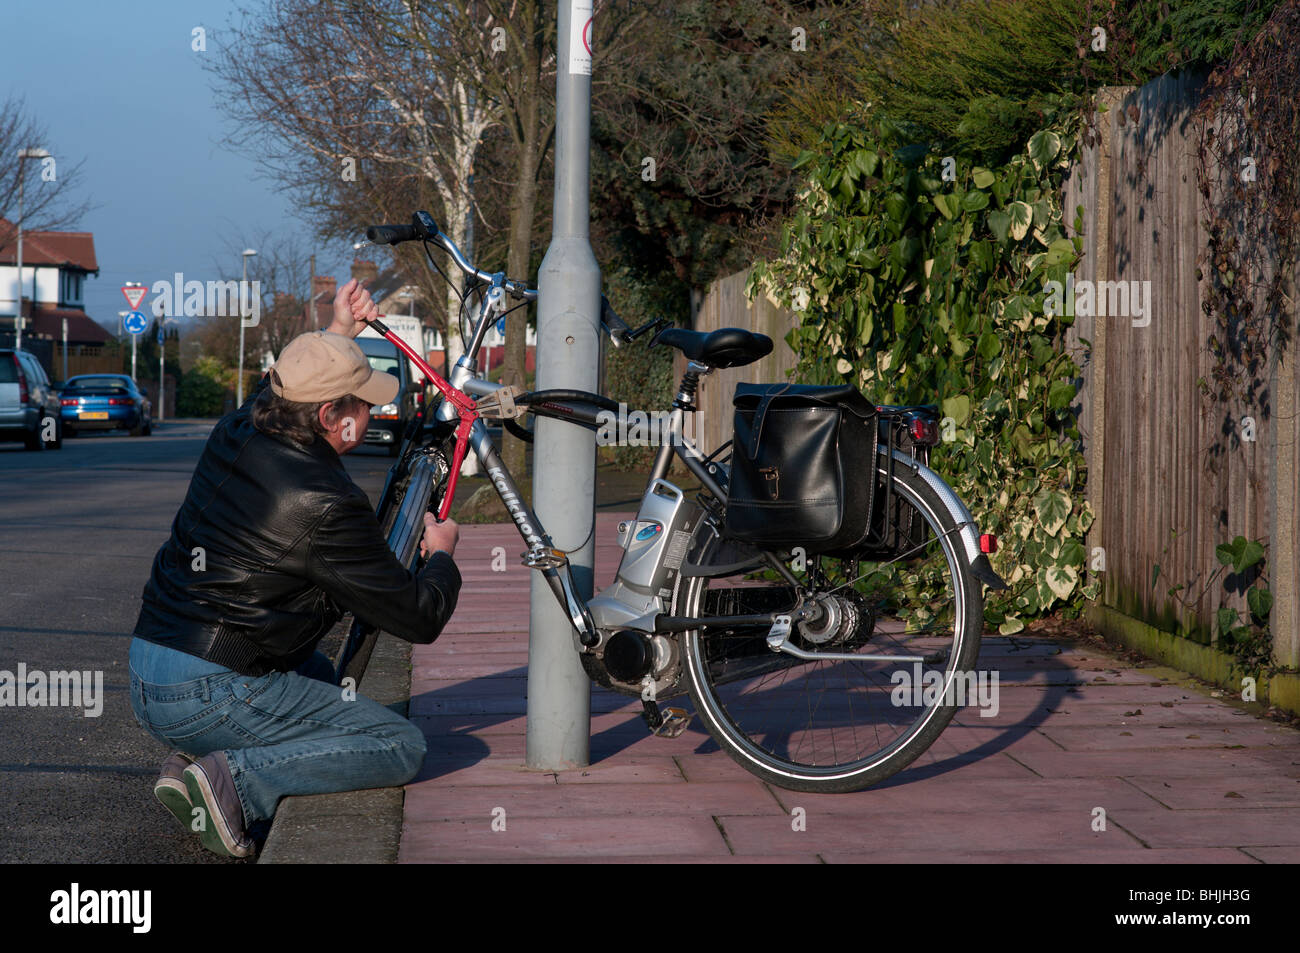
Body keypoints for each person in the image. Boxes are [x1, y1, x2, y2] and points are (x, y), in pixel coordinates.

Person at [128, 278, 460, 858]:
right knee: (396, 743)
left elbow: (284, 380)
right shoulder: (326, 500)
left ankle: (196, 758)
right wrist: (442, 557)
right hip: (209, 688)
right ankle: (235, 781)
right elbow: (417, 616)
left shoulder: (240, 426)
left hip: (149, 666)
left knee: (334, 691)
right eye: (363, 404)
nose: (374, 411)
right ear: (331, 414)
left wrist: (337, 333)